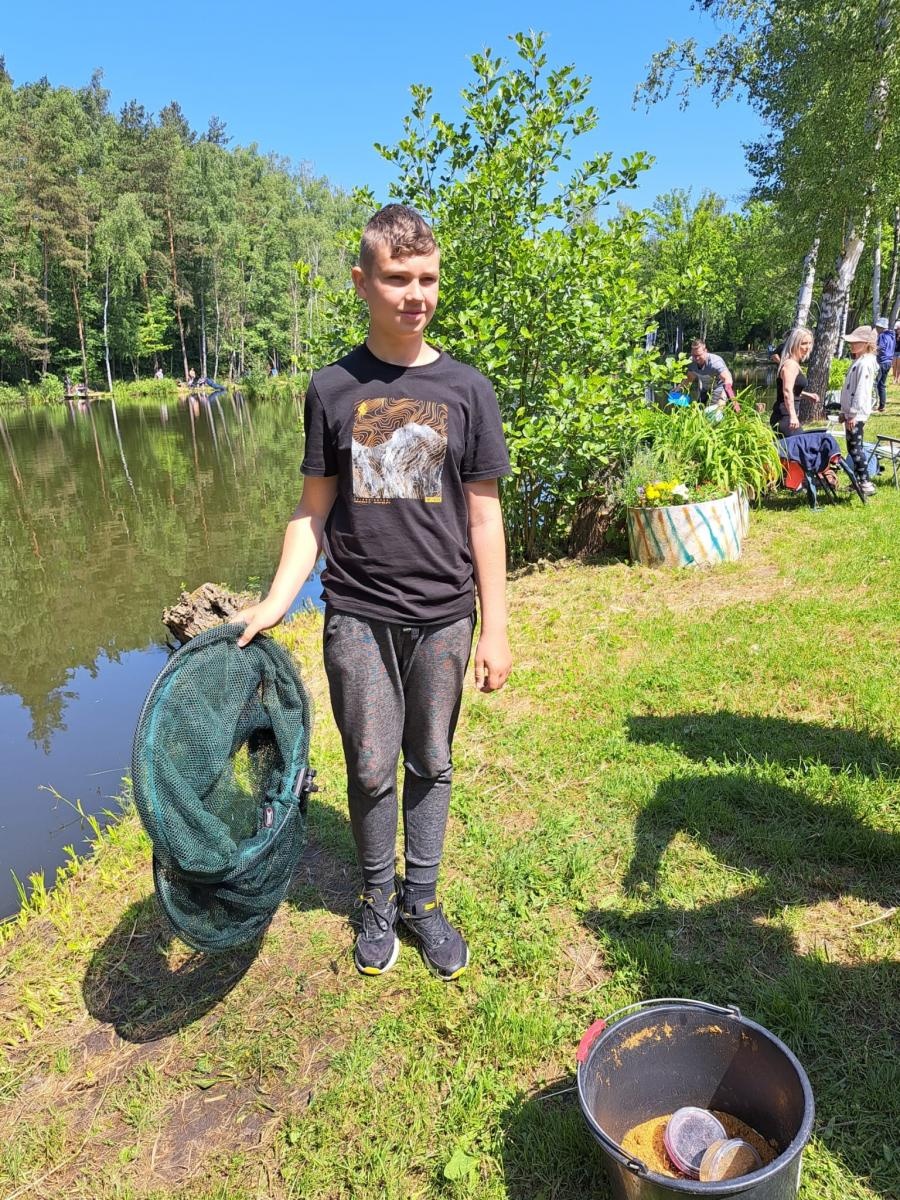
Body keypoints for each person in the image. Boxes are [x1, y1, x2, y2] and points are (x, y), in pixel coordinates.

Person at [236, 204, 512, 981]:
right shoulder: (331, 389)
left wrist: (496, 628)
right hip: (356, 613)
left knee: (430, 759)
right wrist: (275, 601)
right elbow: (312, 510)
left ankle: (422, 902)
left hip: (445, 618)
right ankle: (376, 898)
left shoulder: (467, 389)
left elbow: (485, 520)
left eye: (426, 278)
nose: (414, 293)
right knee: (368, 767)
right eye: (397, 278)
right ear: (363, 282)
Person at [839, 325, 878, 497]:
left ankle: (865, 482)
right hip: (851, 413)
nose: (852, 345)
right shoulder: (859, 361)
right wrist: (844, 411)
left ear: (865, 343)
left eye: (856, 342)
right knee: (853, 447)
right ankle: (858, 480)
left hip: (857, 414)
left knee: (855, 448)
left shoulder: (866, 363)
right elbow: (849, 388)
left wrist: (853, 413)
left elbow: (861, 390)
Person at [769, 326, 819, 434]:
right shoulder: (790, 365)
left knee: (794, 449)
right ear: (794, 344)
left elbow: (792, 391)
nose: (807, 347)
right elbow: (786, 391)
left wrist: (808, 395)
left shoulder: (793, 364)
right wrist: (792, 416)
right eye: (804, 343)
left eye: (810, 343)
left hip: (787, 416)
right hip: (784, 416)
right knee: (802, 448)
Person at [681, 339, 735, 407]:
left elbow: (727, 379)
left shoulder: (715, 362)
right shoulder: (691, 361)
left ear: (705, 351)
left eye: (699, 355)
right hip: (705, 387)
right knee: (699, 409)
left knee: (714, 411)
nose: (696, 358)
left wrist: (724, 397)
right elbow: (690, 378)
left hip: (720, 387)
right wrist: (679, 387)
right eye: (694, 355)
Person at [874, 316, 894, 413]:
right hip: (889, 362)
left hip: (882, 362)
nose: (877, 329)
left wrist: (872, 350)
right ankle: (882, 405)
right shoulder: (891, 336)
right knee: (882, 384)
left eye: (878, 327)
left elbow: (881, 348)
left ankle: (874, 402)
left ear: (881, 327)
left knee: (875, 383)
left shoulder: (882, 335)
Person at [893, 321, 900, 386]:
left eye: (899, 329)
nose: (898, 330)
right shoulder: (894, 335)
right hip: (894, 352)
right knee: (894, 366)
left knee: (898, 366)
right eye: (897, 329)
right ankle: (894, 378)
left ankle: (898, 378)